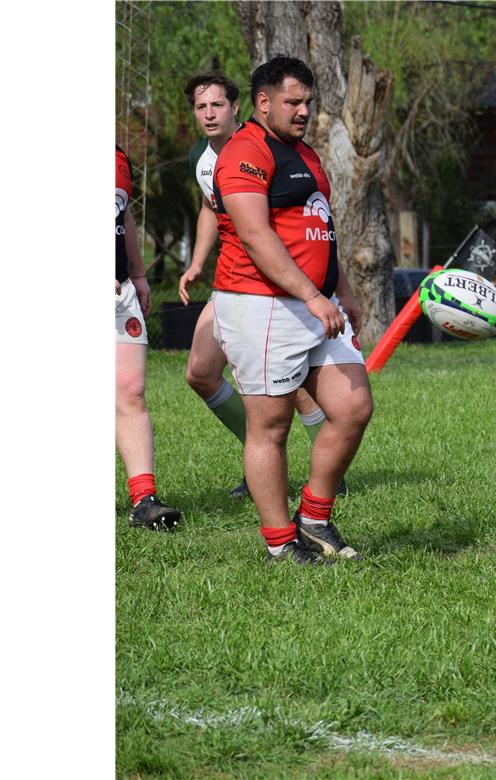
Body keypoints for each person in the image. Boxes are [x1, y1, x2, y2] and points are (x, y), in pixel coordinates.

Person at [211, 56, 373, 563]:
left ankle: (315, 517)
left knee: (352, 407)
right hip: (260, 306)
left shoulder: (305, 153)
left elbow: (319, 226)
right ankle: (281, 544)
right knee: (272, 425)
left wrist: (341, 288)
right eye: (293, 102)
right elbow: (256, 238)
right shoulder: (244, 152)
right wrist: (312, 295)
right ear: (263, 102)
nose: (304, 110)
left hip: (315, 303)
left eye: (308, 101)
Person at [177, 69, 342, 499]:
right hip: (240, 279)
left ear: (239, 107)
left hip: (263, 281)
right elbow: (211, 207)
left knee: (290, 381)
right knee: (200, 372)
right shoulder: (202, 157)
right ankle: (262, 462)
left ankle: (317, 466)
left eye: (217, 105)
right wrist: (195, 261)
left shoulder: (256, 147)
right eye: (200, 107)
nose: (209, 114)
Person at [116, 145, 182, 531]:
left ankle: (144, 501)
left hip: (119, 291)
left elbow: (123, 217)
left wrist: (138, 275)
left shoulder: (118, 157)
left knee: (132, 389)